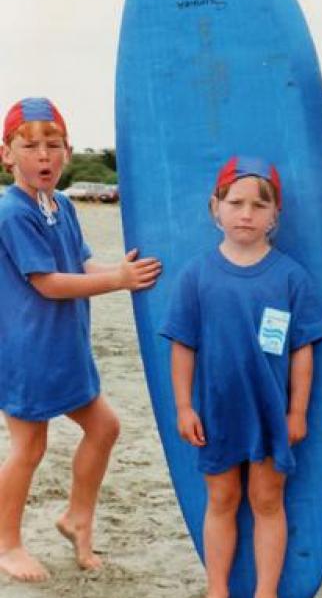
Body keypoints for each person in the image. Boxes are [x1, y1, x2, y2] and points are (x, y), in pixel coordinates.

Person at [0, 97, 161, 582]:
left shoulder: (62, 205)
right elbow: (48, 283)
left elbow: (81, 265)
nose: (43, 156)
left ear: (68, 151)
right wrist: (119, 282)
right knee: (29, 448)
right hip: (26, 352)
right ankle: (7, 544)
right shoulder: (13, 212)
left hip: (67, 348)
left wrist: (124, 270)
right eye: (30, 147)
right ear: (7, 154)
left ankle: (76, 518)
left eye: (53, 145)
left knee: (104, 427)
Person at [161, 156, 322, 598]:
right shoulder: (196, 275)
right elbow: (182, 345)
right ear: (214, 207)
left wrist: (297, 412)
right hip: (217, 414)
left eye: (259, 205)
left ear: (276, 215)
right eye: (235, 202)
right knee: (221, 501)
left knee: (268, 502)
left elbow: (303, 350)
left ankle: (266, 592)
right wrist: (183, 406)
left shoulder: (292, 277)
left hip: (271, 415)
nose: (246, 213)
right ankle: (217, 589)